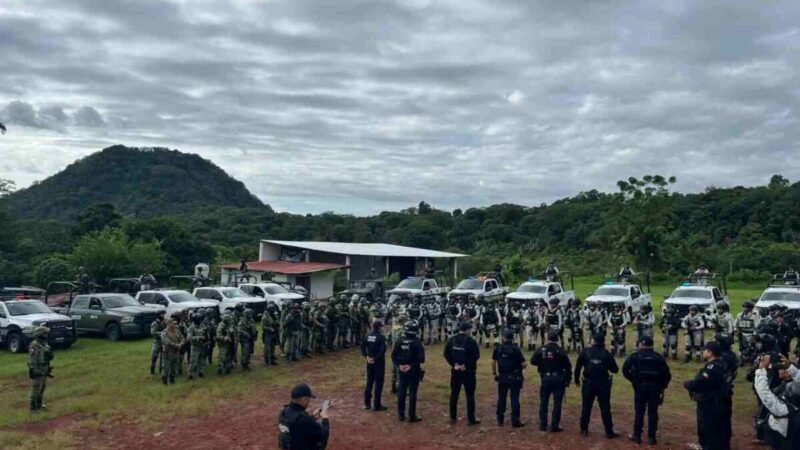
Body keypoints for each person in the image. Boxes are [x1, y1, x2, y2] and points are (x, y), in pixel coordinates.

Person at [622, 336, 671, 445]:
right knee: (653, 413)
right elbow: (667, 375)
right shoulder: (658, 357)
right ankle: (651, 437)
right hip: (655, 388)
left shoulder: (635, 356)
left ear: (641, 344)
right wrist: (662, 387)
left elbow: (625, 370)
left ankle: (637, 435)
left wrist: (634, 380)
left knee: (639, 412)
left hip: (640, 387)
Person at [683, 341, 727, 450]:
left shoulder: (712, 368)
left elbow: (700, 382)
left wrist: (689, 384)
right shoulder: (722, 364)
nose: (703, 352)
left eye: (705, 350)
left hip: (709, 403)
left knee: (707, 430)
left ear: (710, 352)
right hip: (720, 402)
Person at [574, 333, 620, 439]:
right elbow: (615, 370)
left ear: (593, 341)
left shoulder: (585, 352)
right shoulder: (606, 353)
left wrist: (576, 380)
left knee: (586, 406)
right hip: (603, 384)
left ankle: (584, 429)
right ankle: (609, 431)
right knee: (605, 408)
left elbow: (578, 367)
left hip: (588, 383)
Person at [753, 356, 800, 449]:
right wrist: (790, 367)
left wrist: (761, 370)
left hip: (783, 441)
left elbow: (765, 394)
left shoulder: (784, 409)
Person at [531, 330, 572, 432]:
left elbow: (533, 361)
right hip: (558, 379)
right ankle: (554, 425)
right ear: (557, 339)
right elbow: (568, 366)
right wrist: (567, 380)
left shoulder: (542, 349)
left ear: (547, 338)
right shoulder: (560, 350)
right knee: (557, 403)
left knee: (543, 402)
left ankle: (543, 425)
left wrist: (542, 362)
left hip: (545, 378)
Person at [444, 321, 481, 425]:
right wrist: (466, 365)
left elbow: (446, 354)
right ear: (467, 330)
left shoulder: (452, 340)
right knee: (470, 395)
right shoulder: (471, 341)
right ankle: (471, 418)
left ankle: (452, 417)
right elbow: (476, 355)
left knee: (454, 394)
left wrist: (454, 365)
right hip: (469, 372)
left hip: (455, 371)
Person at [391, 320, 425, 423]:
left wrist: (399, 365)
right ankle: (412, 416)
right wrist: (410, 365)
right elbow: (422, 358)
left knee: (401, 392)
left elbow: (393, 356)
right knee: (412, 393)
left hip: (402, 370)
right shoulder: (417, 342)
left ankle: (401, 415)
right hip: (413, 370)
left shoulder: (400, 341)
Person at [278, 383, 331, 450]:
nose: (309, 401)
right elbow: (323, 437)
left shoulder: (284, 412)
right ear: (304, 398)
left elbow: (296, 427)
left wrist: (313, 417)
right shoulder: (304, 420)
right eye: (309, 398)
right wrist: (325, 419)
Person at [493, 330, 527, 427]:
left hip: (502, 376)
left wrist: (495, 373)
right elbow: (523, 364)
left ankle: (500, 419)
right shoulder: (516, 349)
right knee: (514, 398)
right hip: (514, 376)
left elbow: (493, 361)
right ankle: (515, 420)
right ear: (512, 338)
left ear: (504, 337)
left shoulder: (498, 348)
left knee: (501, 398)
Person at [362, 320, 388, 412]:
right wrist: (375, 358)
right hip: (378, 362)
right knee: (379, 383)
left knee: (369, 382)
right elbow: (383, 350)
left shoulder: (368, 336)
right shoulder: (381, 337)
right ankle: (377, 405)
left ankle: (367, 403)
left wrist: (367, 357)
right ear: (379, 327)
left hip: (369, 361)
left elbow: (362, 347)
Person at [27, 326, 53, 411]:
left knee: (42, 388)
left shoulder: (44, 344)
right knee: (36, 388)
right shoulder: (35, 345)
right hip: (37, 369)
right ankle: (33, 407)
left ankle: (39, 405)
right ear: (40, 334)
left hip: (44, 368)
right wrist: (33, 369)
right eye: (45, 333)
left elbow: (49, 356)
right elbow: (33, 359)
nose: (46, 335)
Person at [160, 319, 184, 385]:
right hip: (168, 352)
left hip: (176, 352)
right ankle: (165, 380)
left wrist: (181, 344)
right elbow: (167, 342)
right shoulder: (164, 333)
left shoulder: (177, 331)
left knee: (174, 366)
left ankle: (172, 379)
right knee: (166, 367)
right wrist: (177, 345)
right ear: (168, 324)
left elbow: (182, 338)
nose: (175, 325)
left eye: (175, 323)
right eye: (173, 323)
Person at [735, 301, 759, 365]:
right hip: (742, 334)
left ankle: (751, 358)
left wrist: (754, 337)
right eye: (744, 307)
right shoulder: (739, 315)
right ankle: (741, 358)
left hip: (751, 334)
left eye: (747, 307)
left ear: (751, 309)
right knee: (741, 348)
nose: (745, 309)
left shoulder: (754, 316)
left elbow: (756, 327)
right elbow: (736, 325)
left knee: (751, 347)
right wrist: (737, 331)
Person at [187, 311, 208, 379]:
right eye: (199, 319)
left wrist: (206, 339)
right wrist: (199, 337)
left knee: (201, 360)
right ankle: (190, 374)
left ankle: (200, 372)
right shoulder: (191, 327)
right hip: (195, 346)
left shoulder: (201, 326)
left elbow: (204, 333)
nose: (201, 320)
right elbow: (189, 338)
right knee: (193, 361)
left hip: (202, 345)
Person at [150, 310, 166, 375]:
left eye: (164, 314)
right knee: (154, 356)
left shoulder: (164, 322)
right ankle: (152, 369)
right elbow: (153, 332)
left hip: (163, 341)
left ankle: (161, 369)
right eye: (162, 314)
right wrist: (162, 333)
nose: (163, 315)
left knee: (163, 357)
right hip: (157, 341)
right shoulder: (155, 323)